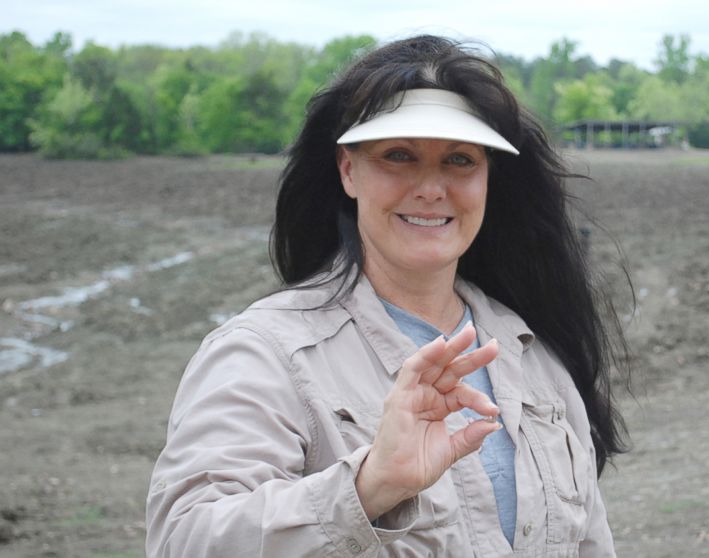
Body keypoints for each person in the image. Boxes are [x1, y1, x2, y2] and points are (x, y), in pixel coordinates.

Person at [146, 35, 629, 557]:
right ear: (348, 170)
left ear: (489, 178)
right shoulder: (265, 354)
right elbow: (185, 539)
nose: (430, 188)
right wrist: (370, 485)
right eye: (398, 156)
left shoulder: (533, 351)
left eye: (460, 160)